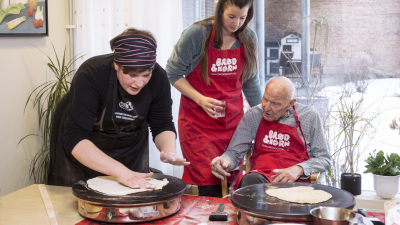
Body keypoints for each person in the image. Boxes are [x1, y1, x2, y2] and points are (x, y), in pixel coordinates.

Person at [48, 28, 189, 189]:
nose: (139, 83)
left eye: (146, 74)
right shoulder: (92, 74)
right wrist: (120, 171)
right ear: (116, 65)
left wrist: (168, 150)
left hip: (129, 146)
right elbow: (75, 137)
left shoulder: (158, 78)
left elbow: (162, 124)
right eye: (132, 75)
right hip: (84, 147)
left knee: (130, 204)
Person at [166, 0, 262, 197]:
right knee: (209, 186)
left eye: (243, 18)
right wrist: (201, 99)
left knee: (231, 183)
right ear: (220, 10)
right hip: (198, 125)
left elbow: (250, 83)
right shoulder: (197, 35)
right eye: (231, 16)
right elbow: (173, 72)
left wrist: (264, 116)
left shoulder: (248, 38)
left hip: (233, 124)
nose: (237, 24)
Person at [211, 77, 331, 190]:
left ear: (290, 104)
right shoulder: (253, 115)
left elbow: (324, 159)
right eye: (265, 99)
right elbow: (234, 152)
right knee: (250, 181)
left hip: (294, 182)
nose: (266, 108)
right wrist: (225, 161)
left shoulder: (309, 116)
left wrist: (299, 169)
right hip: (260, 179)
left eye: (275, 104)